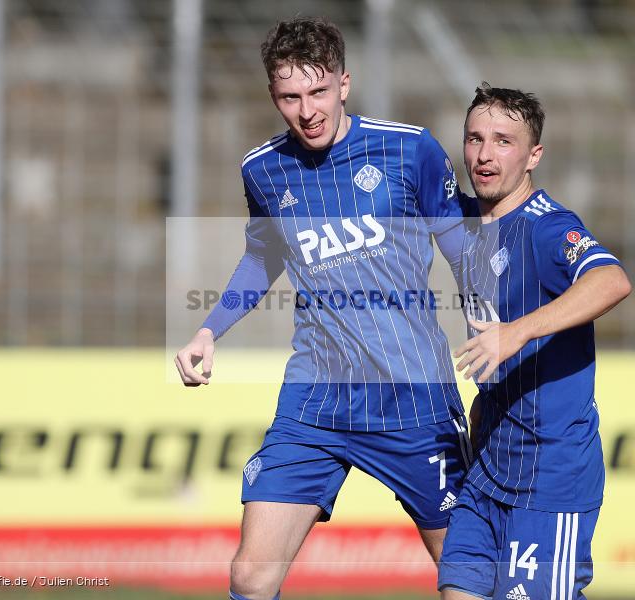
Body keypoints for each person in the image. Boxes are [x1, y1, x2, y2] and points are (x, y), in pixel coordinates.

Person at [175, 17, 472, 600]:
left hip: (412, 396)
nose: (306, 110)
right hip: (316, 399)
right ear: (273, 96)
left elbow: (462, 249)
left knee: (465, 578)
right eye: (290, 96)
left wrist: (494, 327)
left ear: (344, 84)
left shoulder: (409, 149)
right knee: (250, 575)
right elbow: (262, 258)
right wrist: (209, 331)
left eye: (318, 92)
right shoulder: (263, 169)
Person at [437, 84, 632, 600]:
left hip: (550, 477)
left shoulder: (549, 228)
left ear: (533, 156)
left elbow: (612, 280)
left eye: (503, 141)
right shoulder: (466, 221)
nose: (484, 154)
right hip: (487, 470)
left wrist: (516, 333)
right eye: (475, 139)